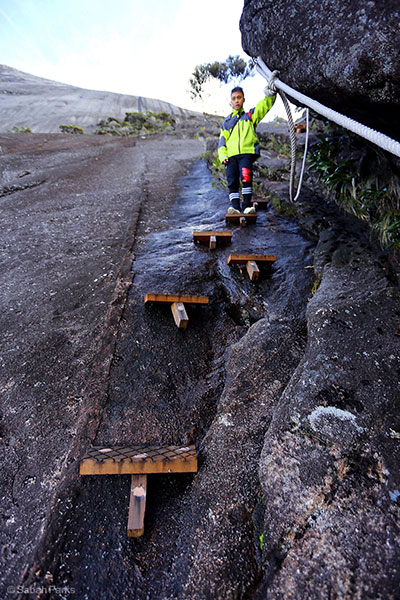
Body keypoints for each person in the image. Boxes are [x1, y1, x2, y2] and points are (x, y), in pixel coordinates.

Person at [217, 83, 277, 214]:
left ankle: (246, 207)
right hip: (231, 156)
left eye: (239, 97)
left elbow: (264, 106)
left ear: (243, 99)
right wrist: (223, 156)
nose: (236, 100)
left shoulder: (250, 116)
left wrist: (271, 93)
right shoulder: (227, 122)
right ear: (230, 101)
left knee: (246, 179)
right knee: (232, 181)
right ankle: (235, 208)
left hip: (246, 154)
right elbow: (222, 142)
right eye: (234, 98)